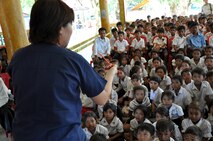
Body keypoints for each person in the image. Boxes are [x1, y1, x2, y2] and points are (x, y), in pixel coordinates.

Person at [7, 1, 117, 141]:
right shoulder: (72, 60)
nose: (72, 29)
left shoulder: (18, 57)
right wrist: (111, 72)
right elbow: (102, 98)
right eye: (70, 24)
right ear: (60, 28)